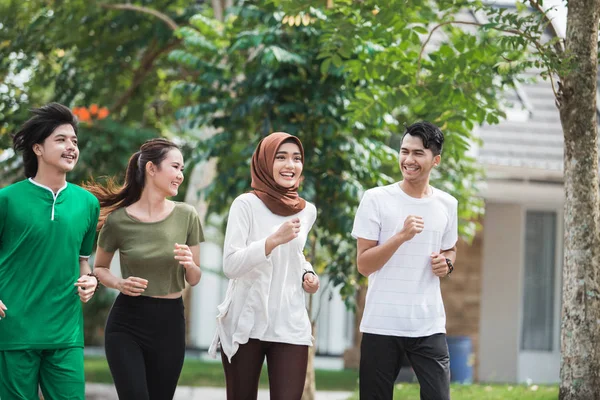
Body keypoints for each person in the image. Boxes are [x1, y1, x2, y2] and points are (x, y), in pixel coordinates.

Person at [87, 138, 204, 400]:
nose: (180, 175)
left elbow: (194, 279)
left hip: (170, 324)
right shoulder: (118, 221)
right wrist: (119, 283)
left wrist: (190, 264)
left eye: (182, 169)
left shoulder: (187, 215)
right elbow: (100, 269)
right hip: (127, 322)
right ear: (151, 169)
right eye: (175, 167)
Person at [208, 132, 320, 400]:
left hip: (289, 321)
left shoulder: (307, 211)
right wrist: (271, 241)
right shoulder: (245, 204)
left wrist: (308, 272)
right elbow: (231, 265)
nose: (290, 165)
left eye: (296, 158)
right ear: (264, 162)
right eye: (281, 157)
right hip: (246, 322)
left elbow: (296, 255)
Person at [0, 102, 100, 400]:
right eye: (61, 139)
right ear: (38, 149)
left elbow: (83, 261)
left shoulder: (87, 204)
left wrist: (90, 280)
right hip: (15, 330)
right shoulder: (7, 199)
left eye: (74, 141)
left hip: (65, 333)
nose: (71, 147)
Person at [352, 121, 458, 400]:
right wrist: (400, 236)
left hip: (428, 323)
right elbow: (364, 265)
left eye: (418, 153)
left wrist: (446, 264)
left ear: (435, 160)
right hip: (381, 323)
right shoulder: (376, 199)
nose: (408, 160)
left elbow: (450, 250)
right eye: (404, 151)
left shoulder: (448, 204)